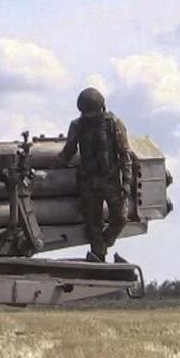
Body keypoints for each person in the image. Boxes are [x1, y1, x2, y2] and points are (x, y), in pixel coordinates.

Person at [58, 87, 133, 262]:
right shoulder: (77, 125)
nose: (90, 116)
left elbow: (124, 154)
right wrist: (56, 165)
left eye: (93, 111)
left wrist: (127, 181)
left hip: (111, 180)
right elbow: (69, 149)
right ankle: (98, 255)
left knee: (120, 218)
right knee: (93, 224)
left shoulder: (113, 124)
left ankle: (103, 244)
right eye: (87, 112)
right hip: (88, 182)